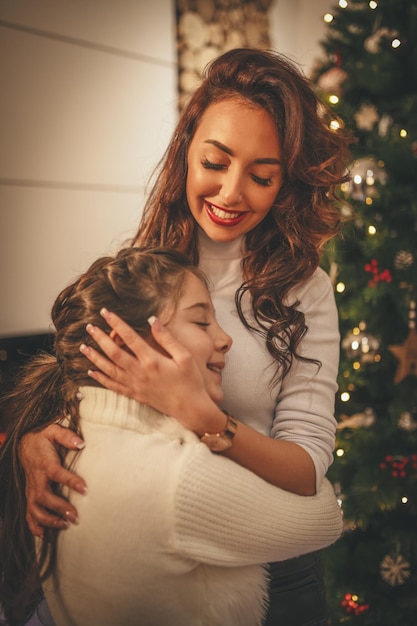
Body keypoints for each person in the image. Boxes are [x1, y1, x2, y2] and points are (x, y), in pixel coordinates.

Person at [18, 48, 353, 625]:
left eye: (261, 176)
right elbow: (81, 386)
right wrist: (35, 442)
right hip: (149, 552)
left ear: (286, 183)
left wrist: (204, 418)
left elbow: (307, 473)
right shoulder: (145, 260)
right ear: (187, 152)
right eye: (215, 162)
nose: (230, 193)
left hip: (268, 556)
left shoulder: (305, 289)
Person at [0, 247, 343, 626]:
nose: (226, 338)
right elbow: (326, 518)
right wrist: (211, 422)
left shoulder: (79, 435)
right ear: (125, 342)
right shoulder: (177, 480)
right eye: (201, 322)